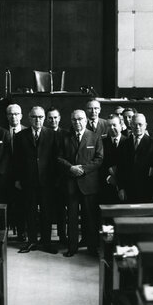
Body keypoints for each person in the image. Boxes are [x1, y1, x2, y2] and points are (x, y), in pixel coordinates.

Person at [58, 109, 103, 257]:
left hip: (88, 183)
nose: (77, 122)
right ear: (71, 121)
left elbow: (99, 159)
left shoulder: (95, 137)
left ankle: (91, 247)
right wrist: (70, 168)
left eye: (80, 119)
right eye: (74, 120)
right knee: (71, 218)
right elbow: (58, 158)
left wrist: (83, 169)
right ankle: (72, 247)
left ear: (85, 120)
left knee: (89, 217)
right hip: (70, 183)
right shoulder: (64, 137)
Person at [14, 106, 58, 254]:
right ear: (29, 118)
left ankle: (46, 243)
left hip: (47, 181)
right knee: (30, 212)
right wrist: (18, 179)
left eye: (40, 117)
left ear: (44, 118)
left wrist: (55, 180)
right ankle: (32, 241)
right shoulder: (20, 136)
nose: (37, 120)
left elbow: (55, 159)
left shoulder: (52, 135)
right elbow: (17, 160)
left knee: (47, 213)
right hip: (28, 181)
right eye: (34, 117)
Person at [118, 113, 153, 203]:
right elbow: (120, 168)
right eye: (134, 124)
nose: (137, 127)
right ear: (131, 125)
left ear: (145, 126)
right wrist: (121, 188)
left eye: (140, 124)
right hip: (128, 190)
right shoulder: (124, 143)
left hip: (147, 190)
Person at [46, 107, 68, 245]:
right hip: (46, 177)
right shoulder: (43, 133)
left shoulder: (66, 134)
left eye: (55, 117)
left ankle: (62, 235)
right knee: (46, 208)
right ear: (47, 119)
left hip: (62, 177)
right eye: (50, 118)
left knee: (61, 209)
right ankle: (46, 237)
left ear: (59, 118)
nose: (53, 120)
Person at [6, 103, 27, 242]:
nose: (13, 116)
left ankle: (22, 233)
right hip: (6, 176)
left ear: (21, 115)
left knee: (22, 206)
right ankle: (4, 234)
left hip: (23, 176)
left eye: (16, 113)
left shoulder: (27, 131)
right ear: (7, 116)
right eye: (10, 114)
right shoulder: (1, 132)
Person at [99, 114, 127, 204]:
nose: (111, 128)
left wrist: (120, 185)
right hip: (107, 185)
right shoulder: (101, 142)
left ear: (120, 125)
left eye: (114, 125)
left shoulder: (128, 142)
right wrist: (108, 177)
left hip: (125, 186)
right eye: (109, 125)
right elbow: (99, 163)